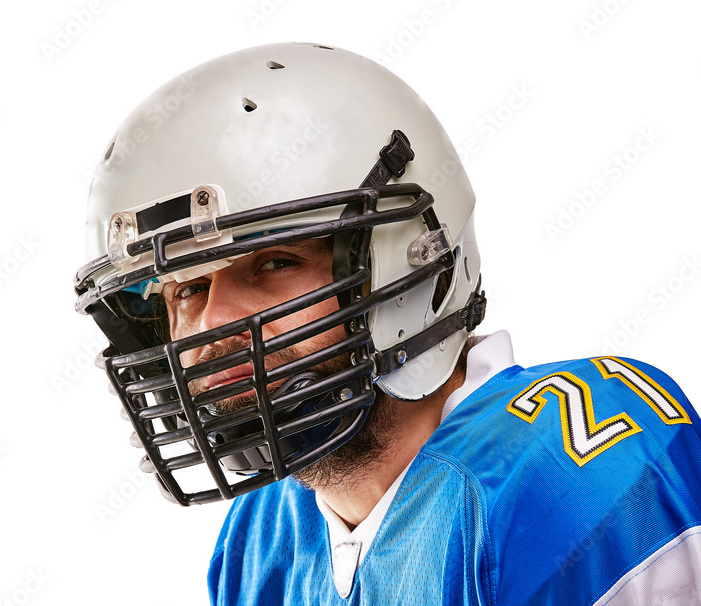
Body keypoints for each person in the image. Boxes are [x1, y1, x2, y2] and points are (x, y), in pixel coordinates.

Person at [73, 42, 701, 604]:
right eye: (187, 290)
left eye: (275, 262)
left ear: (412, 264)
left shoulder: (557, 471)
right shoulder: (261, 541)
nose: (214, 323)